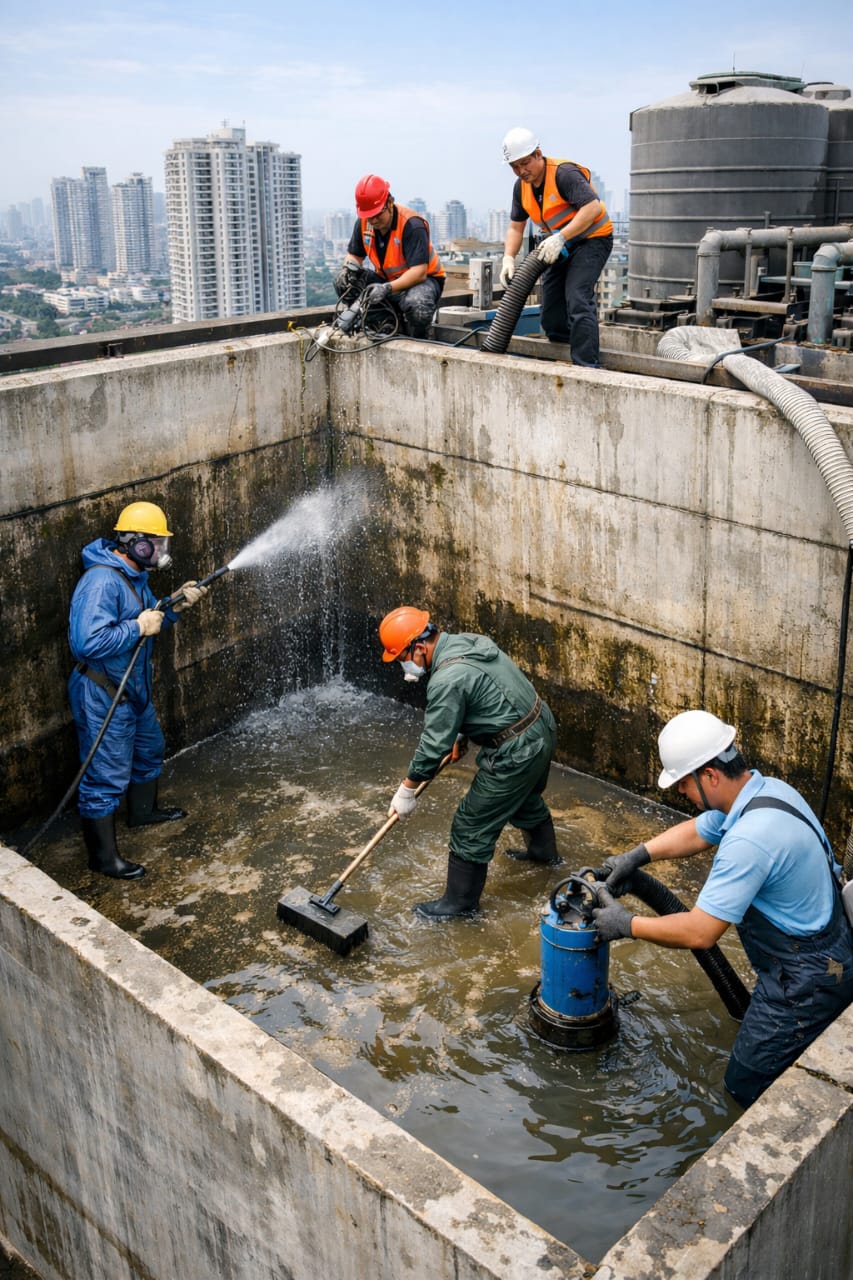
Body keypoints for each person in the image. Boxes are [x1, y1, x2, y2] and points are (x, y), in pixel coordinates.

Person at [592, 709, 853, 1108]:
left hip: (807, 980)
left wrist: (626, 923)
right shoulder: (769, 793)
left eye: (684, 785)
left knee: (743, 1085)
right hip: (828, 945)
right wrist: (637, 857)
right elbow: (700, 830)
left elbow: (701, 932)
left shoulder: (750, 841)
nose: (682, 794)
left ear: (710, 775)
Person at [379, 607, 560, 919]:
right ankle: (545, 858)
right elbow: (486, 691)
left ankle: (459, 906)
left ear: (420, 647)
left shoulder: (446, 680)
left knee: (470, 824)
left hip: (516, 751)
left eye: (401, 658)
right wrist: (461, 732)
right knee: (524, 798)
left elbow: (432, 746)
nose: (402, 666)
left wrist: (406, 790)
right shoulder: (469, 642)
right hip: (540, 726)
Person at [67, 501, 209, 881]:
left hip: (131, 689)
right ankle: (103, 859)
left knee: (150, 749)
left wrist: (176, 603)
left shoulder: (133, 576)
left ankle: (142, 812)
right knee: (106, 776)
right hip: (102, 694)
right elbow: (87, 643)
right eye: (156, 544)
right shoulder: (101, 582)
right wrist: (137, 628)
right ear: (135, 543)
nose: (161, 552)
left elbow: (152, 616)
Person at [499, 127, 613, 368]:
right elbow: (516, 227)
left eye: (525, 163)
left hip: (592, 239)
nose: (521, 171)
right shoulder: (521, 187)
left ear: (538, 154)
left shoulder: (564, 174)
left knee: (578, 298)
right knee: (551, 311)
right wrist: (508, 258)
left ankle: (586, 367)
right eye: (515, 167)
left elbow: (592, 207)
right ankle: (563, 350)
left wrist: (561, 236)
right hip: (559, 246)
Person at [334, 174, 445, 339]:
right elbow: (354, 255)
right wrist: (347, 269)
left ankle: (418, 341)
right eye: (369, 216)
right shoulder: (365, 223)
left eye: (378, 214)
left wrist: (387, 288)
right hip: (386, 279)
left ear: (390, 203)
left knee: (417, 304)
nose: (374, 220)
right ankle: (387, 324)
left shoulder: (411, 225)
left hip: (422, 281)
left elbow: (419, 272)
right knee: (344, 282)